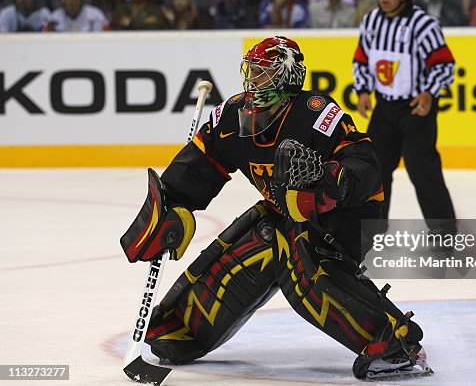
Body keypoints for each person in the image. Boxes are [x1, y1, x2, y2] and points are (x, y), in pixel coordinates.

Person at [121, 36, 432, 380]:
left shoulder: (315, 112)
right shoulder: (231, 117)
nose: (254, 81)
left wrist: (323, 187)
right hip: (289, 212)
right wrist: (174, 207)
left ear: (288, 77)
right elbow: (200, 163)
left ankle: (394, 343)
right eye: (251, 72)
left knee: (297, 254)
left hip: (347, 217)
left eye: (264, 73)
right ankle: (185, 327)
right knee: (261, 235)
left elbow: (366, 165)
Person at [353, 0, 457, 236]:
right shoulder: (371, 21)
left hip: (415, 109)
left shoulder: (423, 24)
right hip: (384, 108)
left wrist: (428, 92)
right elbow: (362, 59)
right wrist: (364, 89)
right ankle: (373, 232)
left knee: (423, 172)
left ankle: (444, 235)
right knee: (375, 170)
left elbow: (445, 65)